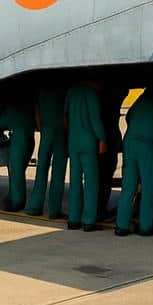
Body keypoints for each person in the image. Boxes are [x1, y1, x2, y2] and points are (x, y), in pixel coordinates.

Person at [116, 81, 153, 236]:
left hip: (130, 143)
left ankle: (121, 225)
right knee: (149, 186)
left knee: (128, 186)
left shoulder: (137, 103)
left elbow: (128, 118)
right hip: (147, 145)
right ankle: (146, 226)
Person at [65, 79, 107, 231]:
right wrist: (103, 138)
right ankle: (89, 221)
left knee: (75, 181)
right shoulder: (92, 95)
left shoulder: (71, 92)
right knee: (91, 183)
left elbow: (66, 118)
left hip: (73, 141)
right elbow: (95, 120)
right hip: (88, 143)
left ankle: (73, 219)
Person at [0, 94, 36, 212]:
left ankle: (17, 202)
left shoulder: (11, 111)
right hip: (30, 141)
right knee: (20, 171)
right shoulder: (28, 109)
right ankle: (12, 197)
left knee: (15, 173)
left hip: (18, 143)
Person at [25, 83, 68, 219]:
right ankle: (54, 210)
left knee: (41, 169)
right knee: (58, 172)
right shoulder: (63, 90)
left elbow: (37, 115)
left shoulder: (41, 91)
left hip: (46, 133)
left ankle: (34, 206)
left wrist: (42, 128)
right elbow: (67, 115)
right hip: (60, 132)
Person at [97, 84, 126, 221]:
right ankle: (100, 211)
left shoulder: (101, 101)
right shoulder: (112, 103)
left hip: (103, 143)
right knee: (105, 178)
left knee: (99, 178)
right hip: (109, 143)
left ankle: (95, 210)